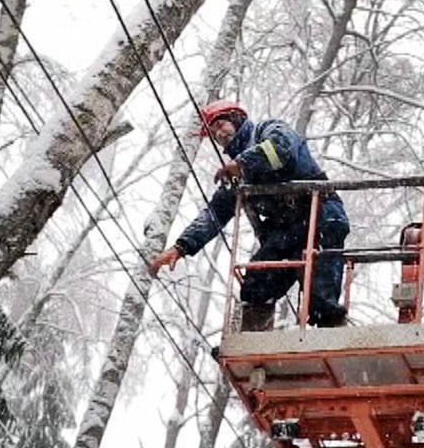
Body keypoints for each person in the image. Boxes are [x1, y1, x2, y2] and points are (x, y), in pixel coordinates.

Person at [149, 101, 350, 331]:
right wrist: (181, 247)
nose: (219, 134)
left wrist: (242, 164)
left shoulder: (267, 130)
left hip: (321, 211)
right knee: (256, 282)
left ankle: (330, 327)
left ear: (235, 118)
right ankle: (253, 340)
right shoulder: (235, 175)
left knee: (320, 294)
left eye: (220, 125)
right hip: (288, 230)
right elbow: (215, 213)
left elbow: (282, 149)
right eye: (214, 134)